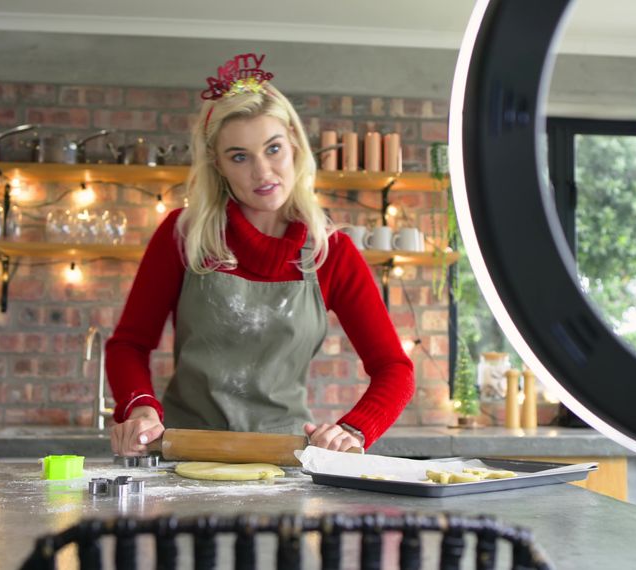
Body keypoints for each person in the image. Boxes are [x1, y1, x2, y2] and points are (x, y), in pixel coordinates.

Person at [104, 53, 415, 457]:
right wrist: (140, 408)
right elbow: (128, 344)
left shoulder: (332, 252)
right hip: (185, 452)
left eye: (273, 149)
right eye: (240, 157)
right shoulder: (183, 235)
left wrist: (353, 430)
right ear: (218, 165)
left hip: (286, 458)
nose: (263, 172)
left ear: (295, 145)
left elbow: (395, 369)